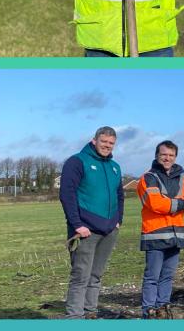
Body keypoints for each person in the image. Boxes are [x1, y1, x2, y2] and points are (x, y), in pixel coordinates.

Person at [59, 126, 124, 318]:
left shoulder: (115, 167)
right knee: (81, 276)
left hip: (109, 230)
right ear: (94, 140)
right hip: (85, 230)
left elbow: (120, 195)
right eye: (103, 141)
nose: (107, 146)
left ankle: (90, 313)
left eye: (111, 143)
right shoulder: (77, 161)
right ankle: (75, 317)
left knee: (96, 276)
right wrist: (77, 224)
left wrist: (118, 221)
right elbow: (67, 194)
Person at [136, 140, 184, 318]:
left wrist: (169, 202)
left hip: (176, 234)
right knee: (152, 277)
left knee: (168, 276)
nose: (167, 158)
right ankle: (149, 311)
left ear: (175, 157)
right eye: (164, 154)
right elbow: (155, 203)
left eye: (171, 155)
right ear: (157, 155)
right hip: (155, 234)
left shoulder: (182, 178)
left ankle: (163, 307)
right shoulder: (148, 178)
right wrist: (180, 203)